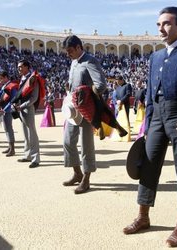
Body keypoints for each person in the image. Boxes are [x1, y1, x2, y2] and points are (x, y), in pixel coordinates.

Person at [123, 6, 177, 248]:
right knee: (147, 165)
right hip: (156, 118)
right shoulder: (154, 56)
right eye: (158, 25)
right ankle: (143, 216)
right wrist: (146, 125)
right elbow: (152, 94)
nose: (161, 29)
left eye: (166, 24)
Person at [62, 35, 107, 194]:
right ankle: (77, 172)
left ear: (79, 47)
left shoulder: (90, 61)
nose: (68, 54)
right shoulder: (74, 62)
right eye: (67, 52)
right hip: (73, 108)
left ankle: (86, 179)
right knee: (67, 141)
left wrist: (86, 95)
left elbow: (101, 85)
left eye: (70, 51)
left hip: (87, 108)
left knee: (86, 144)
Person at [11, 59, 45, 168]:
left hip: (28, 108)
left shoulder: (33, 78)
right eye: (18, 66)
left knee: (32, 133)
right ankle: (28, 155)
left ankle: (35, 159)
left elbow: (34, 98)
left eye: (21, 66)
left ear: (27, 67)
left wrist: (21, 106)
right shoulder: (23, 78)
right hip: (21, 107)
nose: (19, 69)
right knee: (25, 133)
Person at [0, 71, 18, 157]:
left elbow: (13, 100)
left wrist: (4, 109)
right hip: (3, 110)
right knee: (6, 129)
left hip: (7, 110)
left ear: (6, 77)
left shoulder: (12, 86)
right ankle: (10, 147)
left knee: (9, 128)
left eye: (1, 78)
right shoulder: (4, 86)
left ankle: (12, 149)